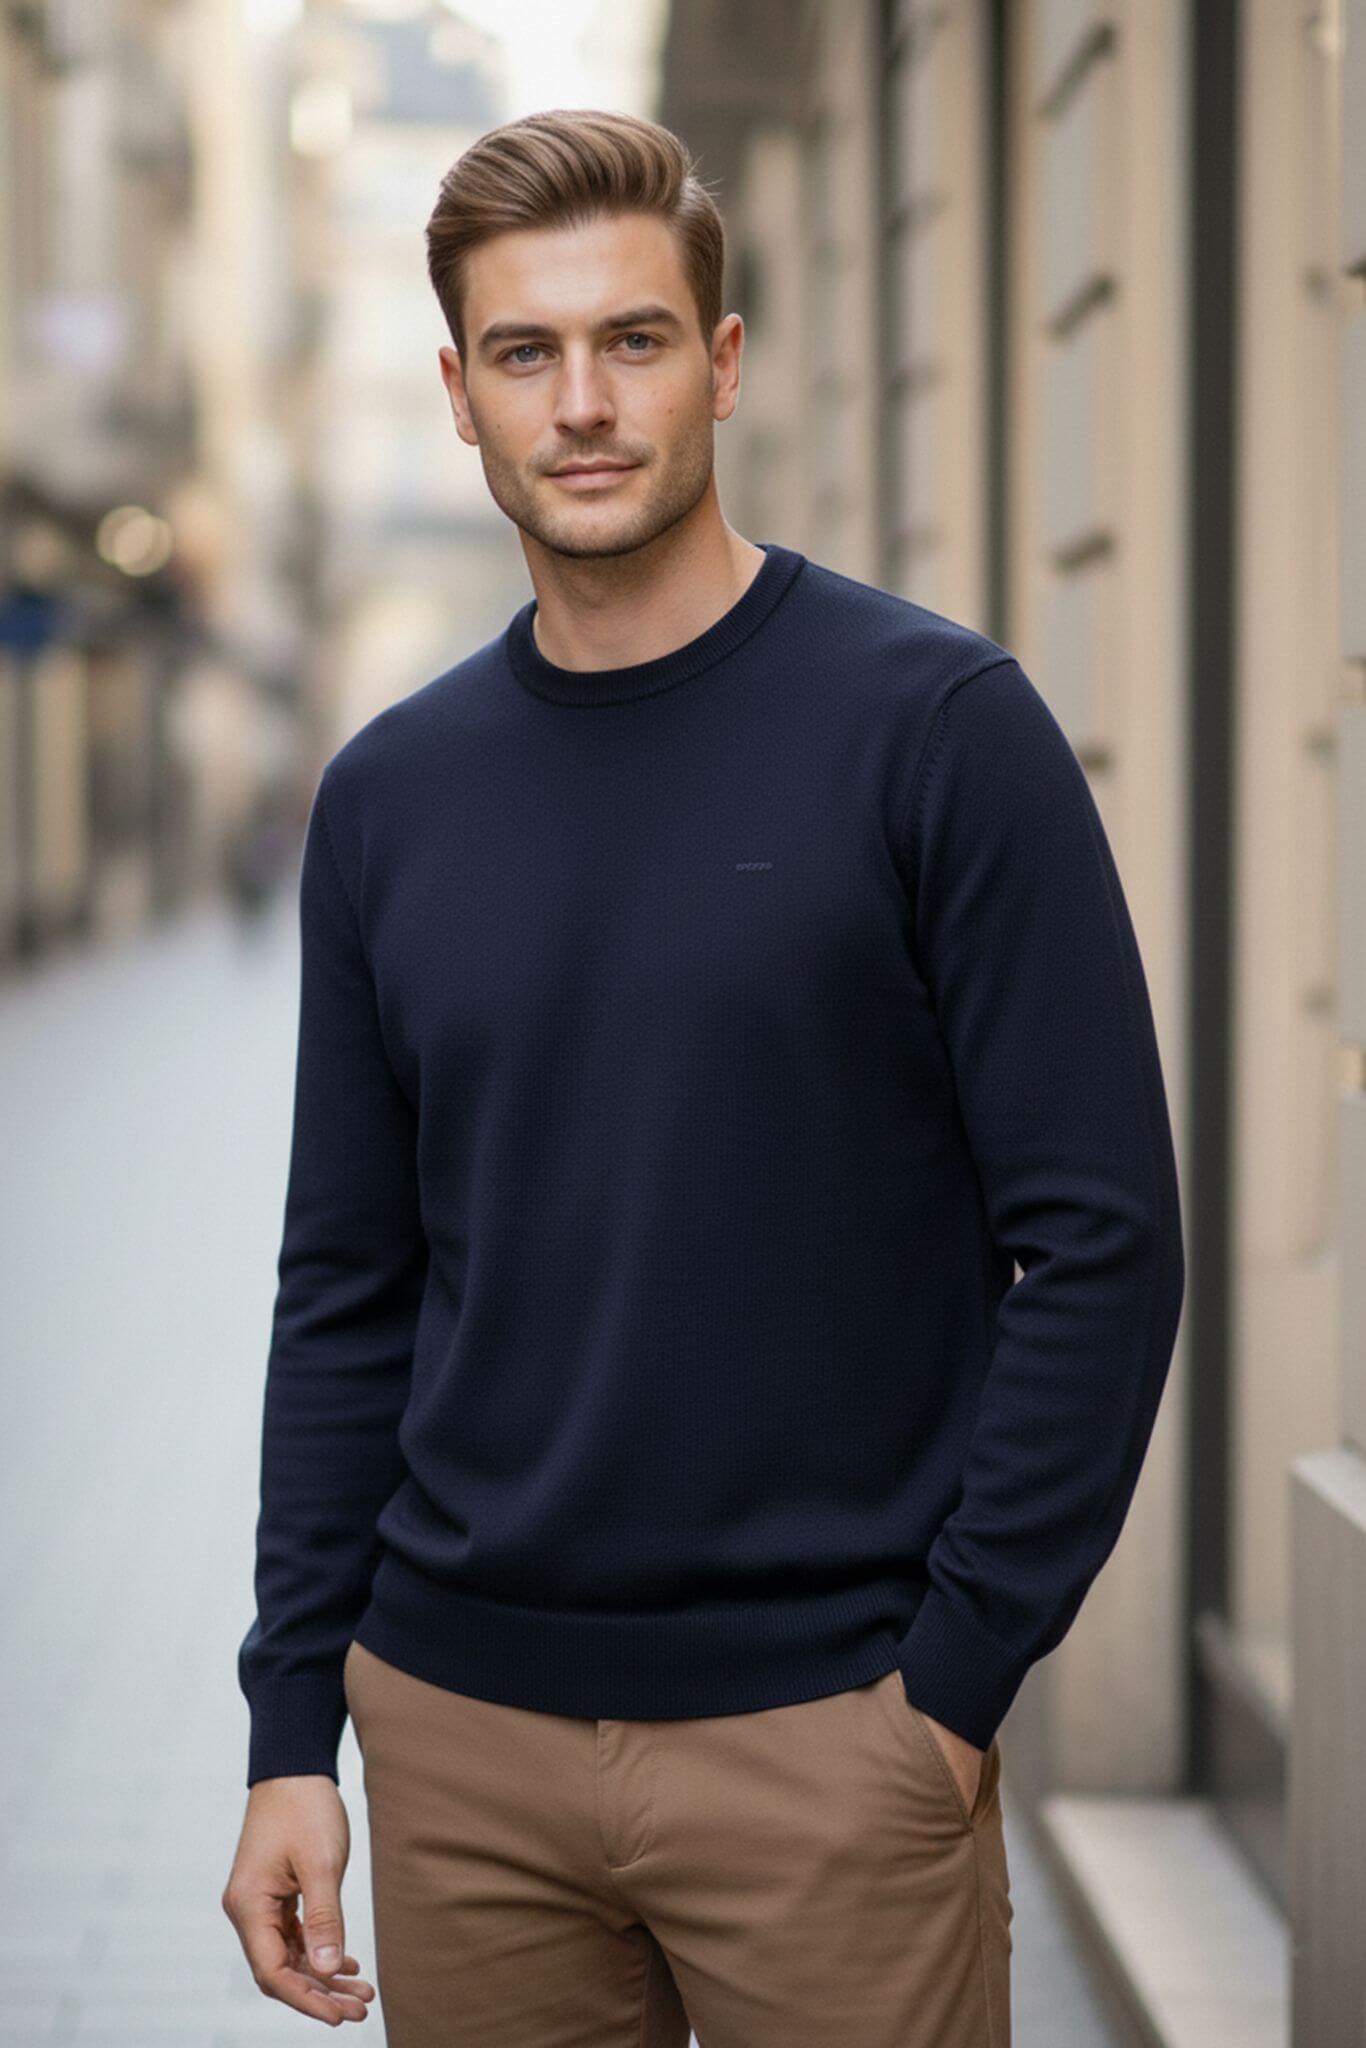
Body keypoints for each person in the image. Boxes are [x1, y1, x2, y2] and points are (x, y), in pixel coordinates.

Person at [222, 106, 1185, 2047]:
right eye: (524, 352)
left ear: (721, 365)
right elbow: (347, 1287)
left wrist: (949, 1685)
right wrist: (289, 1731)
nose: (580, 402)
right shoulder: (389, 802)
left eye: (633, 341)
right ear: (459, 396)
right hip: (461, 1748)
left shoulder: (934, 734)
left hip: (827, 1747)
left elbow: (1098, 1241)